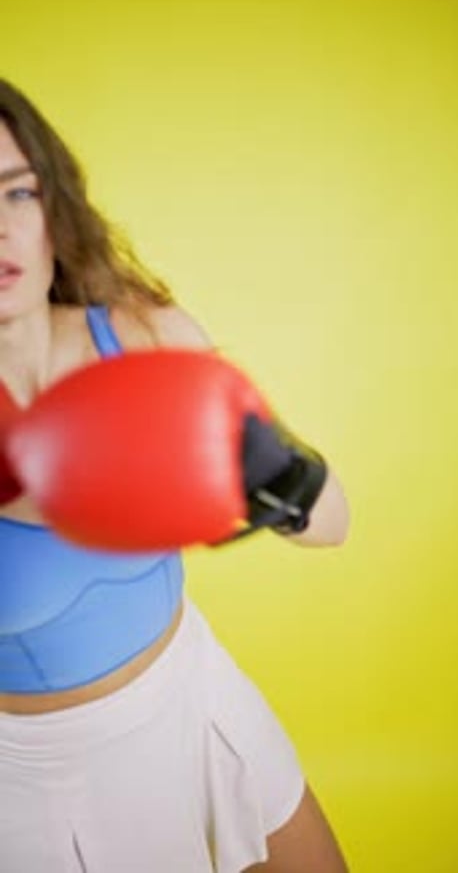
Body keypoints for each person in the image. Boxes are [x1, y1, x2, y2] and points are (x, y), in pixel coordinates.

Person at [0, 77, 351, 872]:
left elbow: (334, 524)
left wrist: (267, 470)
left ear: (53, 204)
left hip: (194, 692)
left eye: (16, 193)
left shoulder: (140, 335)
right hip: (41, 775)